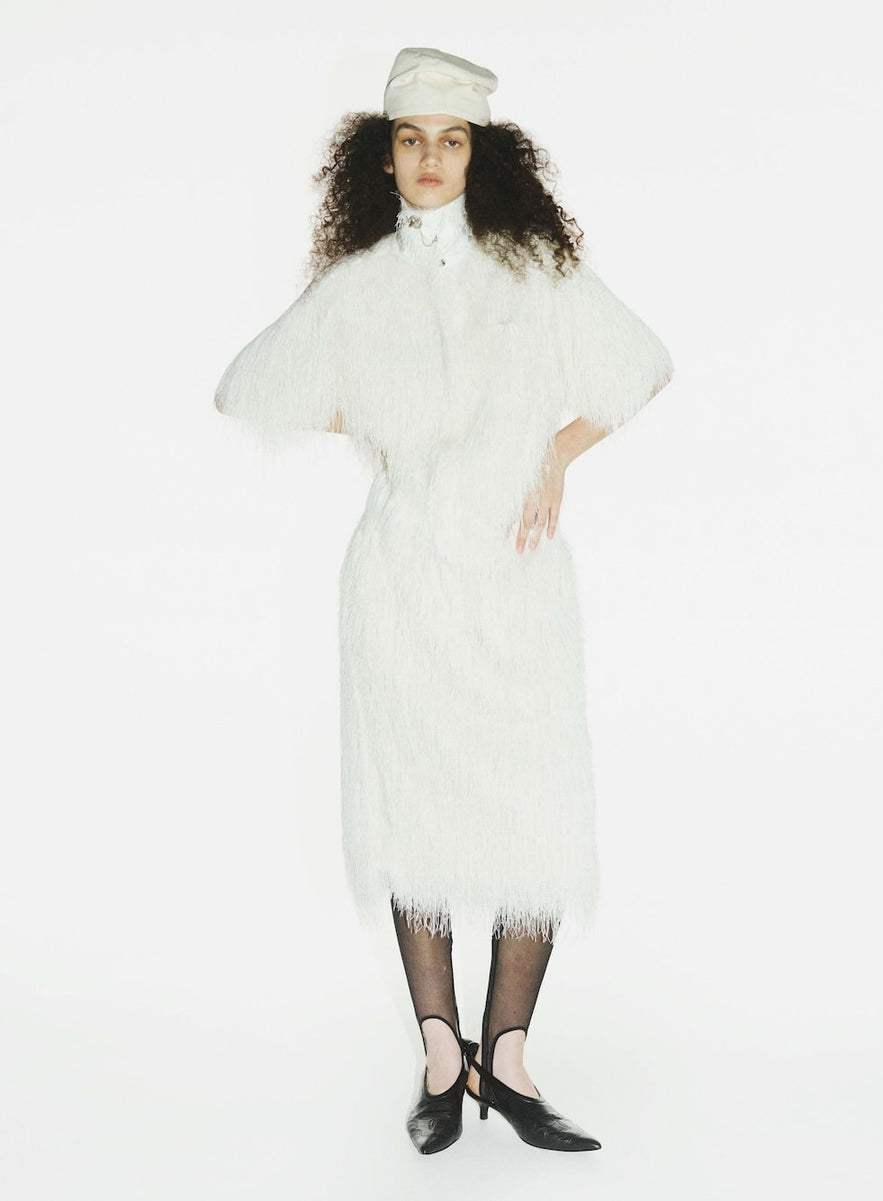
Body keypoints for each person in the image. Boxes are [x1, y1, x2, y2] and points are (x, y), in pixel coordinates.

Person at [215, 46, 673, 1155]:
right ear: (382, 157)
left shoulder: (531, 266)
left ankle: (507, 1061)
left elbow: (641, 365)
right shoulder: (360, 283)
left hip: (516, 580)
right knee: (410, 813)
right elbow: (248, 387)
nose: (431, 157)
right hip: (400, 585)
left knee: (537, 810)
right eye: (412, 139)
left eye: (451, 139)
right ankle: (440, 1056)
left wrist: (553, 452)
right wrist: (379, 421)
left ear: (481, 153)